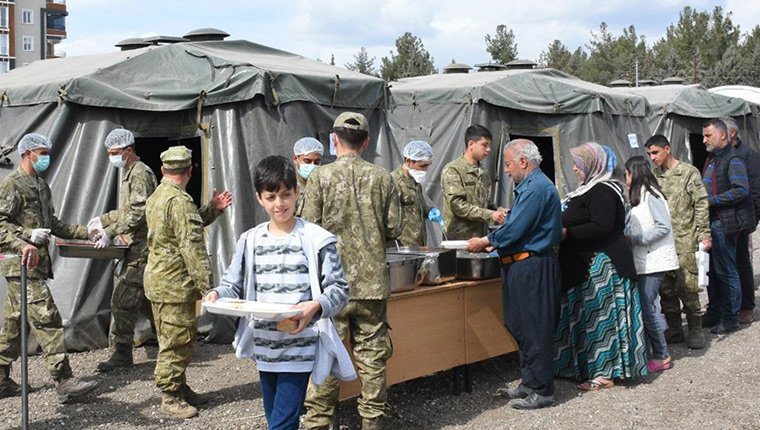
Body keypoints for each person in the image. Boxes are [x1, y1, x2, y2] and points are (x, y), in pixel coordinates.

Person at [204, 155, 349, 430]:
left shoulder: (316, 239)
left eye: (285, 195)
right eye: (271, 197)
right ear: (260, 198)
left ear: (297, 192)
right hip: (265, 346)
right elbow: (232, 283)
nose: (279, 204)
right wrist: (216, 293)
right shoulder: (251, 240)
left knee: (281, 424)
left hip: (300, 345)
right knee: (277, 418)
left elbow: (340, 289)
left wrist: (314, 306)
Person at [301, 112, 402, 430]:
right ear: (367, 142)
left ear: (333, 140)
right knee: (372, 359)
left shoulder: (320, 178)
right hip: (371, 284)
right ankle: (373, 423)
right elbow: (394, 226)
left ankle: (318, 422)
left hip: (331, 286)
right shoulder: (384, 178)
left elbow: (307, 229)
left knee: (326, 356)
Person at [0, 133, 98, 402]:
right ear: (27, 153)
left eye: (47, 153)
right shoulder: (12, 185)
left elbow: (54, 224)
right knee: (47, 316)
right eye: (41, 152)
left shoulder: (41, 186)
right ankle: (63, 380)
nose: (45, 157)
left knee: (15, 323)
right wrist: (25, 238)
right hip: (20, 263)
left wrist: (86, 232)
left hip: (35, 264)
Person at [466, 139, 561, 409]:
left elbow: (517, 229)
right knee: (520, 325)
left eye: (508, 164)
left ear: (523, 161)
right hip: (520, 265)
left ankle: (542, 391)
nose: (506, 171)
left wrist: (485, 241)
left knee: (535, 327)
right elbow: (520, 223)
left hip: (533, 266)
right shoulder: (530, 187)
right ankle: (529, 383)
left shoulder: (536, 188)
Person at [143, 145, 232, 419]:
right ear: (191, 171)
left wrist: (211, 210)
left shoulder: (158, 196)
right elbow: (191, 246)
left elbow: (178, 229)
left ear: (163, 170)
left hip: (159, 282)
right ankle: (170, 396)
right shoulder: (180, 202)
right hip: (175, 286)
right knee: (177, 341)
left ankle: (179, 387)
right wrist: (208, 287)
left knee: (170, 337)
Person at [553, 142, 647, 391]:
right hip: (582, 265)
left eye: (578, 163)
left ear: (592, 164)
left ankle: (605, 372)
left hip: (602, 266)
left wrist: (565, 232)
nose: (573, 168)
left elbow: (601, 226)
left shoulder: (604, 190)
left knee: (600, 319)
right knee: (584, 318)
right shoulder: (585, 190)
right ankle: (577, 366)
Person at [88, 129, 158, 372]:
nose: (112, 158)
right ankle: (176, 341)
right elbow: (127, 210)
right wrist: (103, 220)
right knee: (148, 301)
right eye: (109, 153)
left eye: (115, 153)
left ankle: (122, 354)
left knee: (123, 301)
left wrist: (109, 231)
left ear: (128, 151)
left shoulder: (139, 173)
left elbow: (138, 213)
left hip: (141, 248)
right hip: (135, 247)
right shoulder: (129, 172)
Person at [645, 134, 711, 348]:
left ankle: (695, 329)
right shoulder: (654, 176)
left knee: (688, 288)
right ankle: (675, 329)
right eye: (649, 154)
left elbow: (700, 204)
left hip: (685, 242)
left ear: (667, 149)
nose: (652, 157)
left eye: (655, 152)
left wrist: (704, 234)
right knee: (666, 290)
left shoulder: (688, 172)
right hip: (662, 243)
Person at [624, 156, 679, 373]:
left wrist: (637, 239)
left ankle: (662, 355)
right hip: (645, 260)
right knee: (646, 307)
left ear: (634, 173)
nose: (625, 178)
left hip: (655, 261)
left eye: (627, 174)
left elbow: (663, 227)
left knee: (648, 308)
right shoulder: (639, 197)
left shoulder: (652, 196)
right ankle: (653, 350)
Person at [700, 118, 755, 334]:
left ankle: (731, 318)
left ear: (723, 135)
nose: (704, 139)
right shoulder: (713, 159)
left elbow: (742, 189)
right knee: (715, 271)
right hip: (714, 222)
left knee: (728, 271)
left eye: (708, 135)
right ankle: (717, 312)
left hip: (726, 223)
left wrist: (710, 201)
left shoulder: (733, 159)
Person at [721, 117, 760, 325]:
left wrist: (751, 221)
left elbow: (756, 191)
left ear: (732, 134)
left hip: (742, 220)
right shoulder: (718, 155)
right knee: (723, 264)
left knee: (742, 262)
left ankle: (746, 305)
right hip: (723, 219)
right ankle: (727, 305)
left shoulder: (749, 156)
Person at [441, 124, 505, 240]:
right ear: (471, 144)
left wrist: (498, 211)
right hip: (459, 240)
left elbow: (485, 202)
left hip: (480, 238)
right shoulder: (453, 170)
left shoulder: (483, 172)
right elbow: (457, 205)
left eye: (489, 146)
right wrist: (490, 214)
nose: (488, 149)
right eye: (484, 145)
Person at [391, 140, 442, 246]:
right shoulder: (394, 182)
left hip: (418, 243)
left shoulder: (415, 181)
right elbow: (390, 217)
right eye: (422, 166)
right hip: (402, 245)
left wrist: (428, 211)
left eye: (428, 166)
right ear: (409, 161)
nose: (426, 170)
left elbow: (418, 204)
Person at [293, 137, 324, 218]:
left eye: (316, 162)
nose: (312, 165)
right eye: (307, 161)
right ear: (295, 159)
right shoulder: (289, 186)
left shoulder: (323, 186)